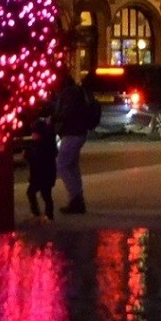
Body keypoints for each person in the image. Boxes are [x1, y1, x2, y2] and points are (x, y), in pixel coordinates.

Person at [50, 70, 99, 214]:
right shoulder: (75, 91)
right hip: (79, 132)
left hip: (72, 132)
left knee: (62, 165)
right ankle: (77, 198)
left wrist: (52, 119)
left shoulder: (68, 93)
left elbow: (66, 113)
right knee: (72, 166)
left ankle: (76, 199)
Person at [23, 115, 58, 221]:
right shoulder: (44, 144)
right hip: (41, 175)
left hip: (42, 176)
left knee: (45, 195)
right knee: (40, 194)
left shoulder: (41, 146)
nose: (33, 135)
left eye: (35, 133)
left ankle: (47, 214)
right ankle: (40, 213)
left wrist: (27, 155)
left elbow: (36, 158)